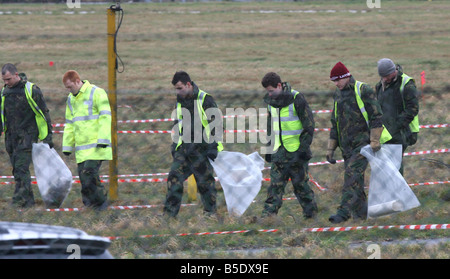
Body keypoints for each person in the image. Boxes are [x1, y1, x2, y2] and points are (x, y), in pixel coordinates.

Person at [326, 62, 391, 223]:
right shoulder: (338, 94)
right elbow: (335, 122)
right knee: (356, 180)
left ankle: (343, 213)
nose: (336, 84)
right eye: (333, 81)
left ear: (346, 76)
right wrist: (331, 148)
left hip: (363, 145)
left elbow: (376, 116)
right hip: (346, 146)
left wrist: (375, 140)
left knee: (351, 176)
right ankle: (362, 214)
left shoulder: (363, 90)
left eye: (337, 80)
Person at [163, 71, 223, 218]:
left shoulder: (205, 99)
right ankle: (169, 216)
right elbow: (178, 124)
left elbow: (216, 124)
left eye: (179, 88)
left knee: (205, 184)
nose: (177, 92)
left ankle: (210, 214)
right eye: (176, 89)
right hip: (183, 150)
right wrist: (175, 146)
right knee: (174, 179)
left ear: (188, 84)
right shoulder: (180, 101)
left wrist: (213, 147)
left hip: (202, 150)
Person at [260, 72, 318, 218]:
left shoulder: (297, 99)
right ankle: (267, 217)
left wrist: (303, 149)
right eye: (268, 91)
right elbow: (270, 126)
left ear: (279, 85)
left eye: (272, 90)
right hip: (278, 152)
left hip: (296, 152)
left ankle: (311, 215)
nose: (270, 94)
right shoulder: (270, 103)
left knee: (301, 186)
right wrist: (268, 148)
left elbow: (309, 125)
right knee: (275, 186)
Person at [1, 63, 54, 208]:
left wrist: (48, 136)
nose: (6, 83)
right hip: (10, 137)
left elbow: (44, 113)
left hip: (27, 136)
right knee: (16, 169)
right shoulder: (4, 92)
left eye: (9, 79)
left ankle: (19, 200)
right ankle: (28, 201)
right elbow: (2, 114)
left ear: (16, 75)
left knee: (21, 168)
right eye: (4, 80)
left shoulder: (32, 90)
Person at [62, 70, 111, 210]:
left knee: (90, 175)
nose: (69, 90)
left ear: (78, 81)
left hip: (97, 146)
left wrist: (103, 139)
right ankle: (90, 205)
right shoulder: (71, 99)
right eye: (67, 88)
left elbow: (105, 117)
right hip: (82, 149)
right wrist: (67, 146)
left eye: (70, 87)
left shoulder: (97, 93)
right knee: (84, 179)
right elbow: (70, 123)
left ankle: (101, 205)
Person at [375, 58, 419, 175]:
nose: (384, 79)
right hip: (385, 133)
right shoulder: (380, 85)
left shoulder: (406, 83)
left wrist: (395, 126)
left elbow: (413, 109)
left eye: (386, 76)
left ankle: (398, 191)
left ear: (393, 71)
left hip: (402, 131)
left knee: (395, 165)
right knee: (387, 166)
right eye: (382, 76)